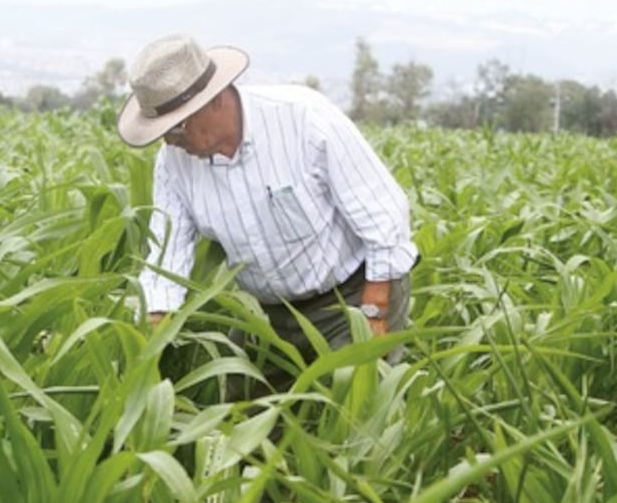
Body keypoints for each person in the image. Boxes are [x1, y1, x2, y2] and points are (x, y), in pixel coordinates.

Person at [118, 34, 419, 391]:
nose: (170, 142)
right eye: (163, 133)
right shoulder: (173, 164)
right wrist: (147, 347)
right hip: (267, 315)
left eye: (176, 128)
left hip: (352, 297)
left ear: (212, 101)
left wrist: (373, 312)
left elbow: (384, 217)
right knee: (247, 422)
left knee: (348, 417)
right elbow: (167, 256)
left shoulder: (304, 119)